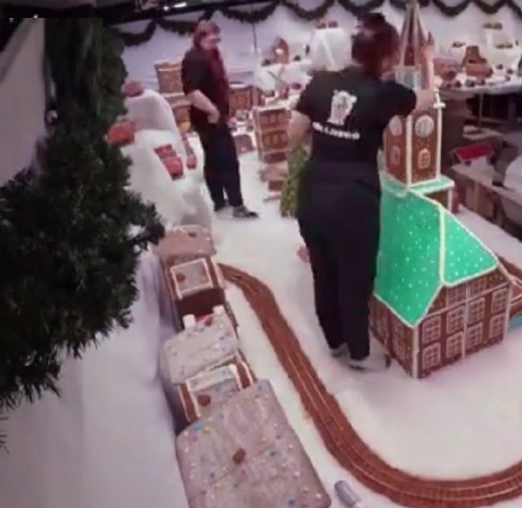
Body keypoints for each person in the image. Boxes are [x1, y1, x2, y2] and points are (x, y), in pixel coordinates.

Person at [288, 14, 437, 372]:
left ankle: (335, 342)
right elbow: (429, 98)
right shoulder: (383, 93)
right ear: (386, 58)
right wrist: (429, 60)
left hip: (313, 192)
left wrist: (325, 142)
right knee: (354, 278)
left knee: (324, 272)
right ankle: (359, 354)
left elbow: (294, 134)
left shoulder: (321, 81)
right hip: (353, 201)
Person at [182, 21, 257, 219]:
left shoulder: (212, 54)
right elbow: (191, 91)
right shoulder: (194, 59)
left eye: (217, 37)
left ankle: (219, 201)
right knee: (228, 160)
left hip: (214, 117)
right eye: (211, 37)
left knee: (214, 159)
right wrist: (213, 110)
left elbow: (218, 84)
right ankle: (237, 205)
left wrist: (225, 113)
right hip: (207, 118)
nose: (215, 41)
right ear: (200, 37)